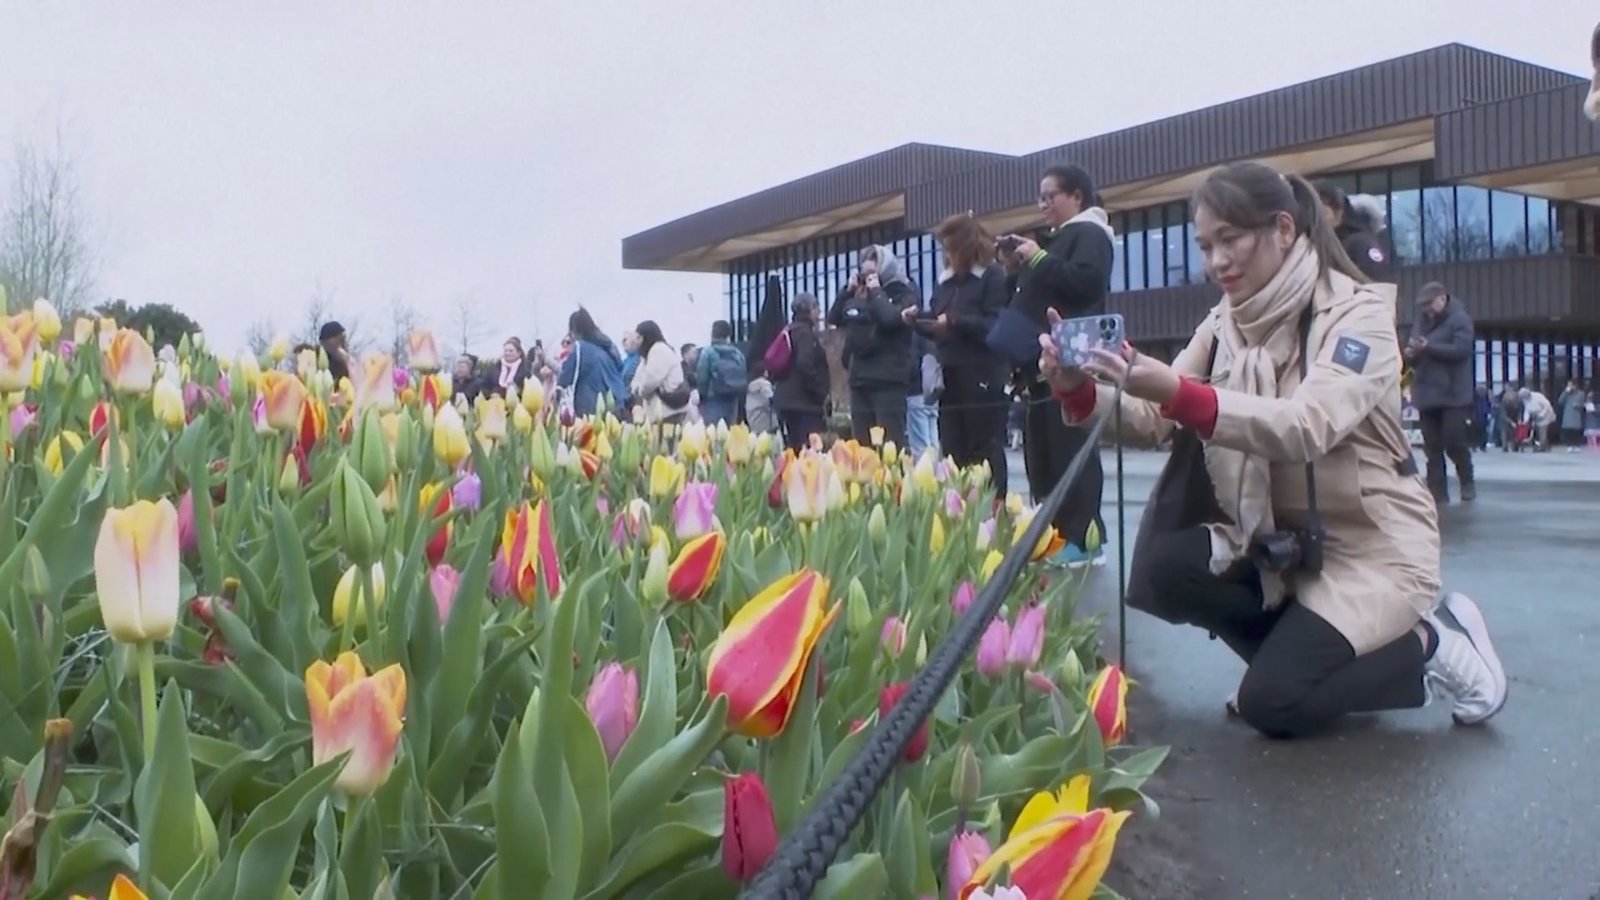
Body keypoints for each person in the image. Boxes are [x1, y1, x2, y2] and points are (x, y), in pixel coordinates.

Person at [1042, 160, 1507, 740]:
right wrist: (1081, 391)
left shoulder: (1358, 312)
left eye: (1230, 239)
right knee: (1167, 566)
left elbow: (1307, 424)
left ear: (1284, 229)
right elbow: (1155, 419)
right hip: (1280, 541)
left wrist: (1182, 393)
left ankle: (1431, 642)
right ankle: (1294, 667)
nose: (1217, 261)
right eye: (1206, 245)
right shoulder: (1224, 322)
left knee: (1273, 706)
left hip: (1372, 550)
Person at [998, 164, 1114, 568]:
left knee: (1070, 448)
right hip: (1041, 360)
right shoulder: (1062, 238)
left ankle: (1084, 537)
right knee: (1042, 449)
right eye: (1041, 196)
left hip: (1072, 356)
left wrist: (1040, 257)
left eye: (1052, 195)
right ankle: (1051, 534)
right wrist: (1017, 267)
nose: (1044, 203)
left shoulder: (1091, 233)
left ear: (1077, 196)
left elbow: (1086, 283)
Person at [914, 213, 1009, 494]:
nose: (947, 255)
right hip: (950, 374)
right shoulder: (946, 282)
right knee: (953, 448)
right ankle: (960, 510)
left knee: (984, 446)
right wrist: (917, 320)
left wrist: (955, 321)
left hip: (982, 373)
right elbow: (936, 318)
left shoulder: (992, 276)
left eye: (950, 248)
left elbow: (994, 324)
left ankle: (995, 509)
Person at [826, 244, 918, 447]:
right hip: (860, 380)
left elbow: (889, 319)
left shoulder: (904, 292)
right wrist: (846, 292)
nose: (867, 279)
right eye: (864, 273)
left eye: (872, 274)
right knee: (862, 445)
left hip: (888, 380)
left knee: (890, 444)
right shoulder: (859, 296)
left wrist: (876, 291)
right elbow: (834, 318)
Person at [1405, 283, 1476, 503]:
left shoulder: (1460, 319)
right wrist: (1410, 353)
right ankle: (1437, 494)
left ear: (1442, 299)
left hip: (1453, 393)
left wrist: (1429, 348)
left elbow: (1462, 350)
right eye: (1424, 306)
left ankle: (1466, 481)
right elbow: (1414, 354)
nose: (1427, 310)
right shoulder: (1421, 323)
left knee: (1454, 441)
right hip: (1427, 393)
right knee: (1432, 447)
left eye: (1429, 304)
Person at [772, 293, 831, 451]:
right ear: (809, 310)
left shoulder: (789, 330)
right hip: (804, 404)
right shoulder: (805, 334)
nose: (819, 313)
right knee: (809, 451)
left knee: (793, 449)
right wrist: (821, 392)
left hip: (786, 400)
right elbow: (805, 364)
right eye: (817, 308)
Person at [557, 308, 629, 417]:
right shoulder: (607, 347)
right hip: (617, 402)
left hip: (591, 406)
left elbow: (565, 377)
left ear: (574, 329)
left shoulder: (580, 348)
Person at [1313, 182, 1391, 280]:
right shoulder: (1320, 244)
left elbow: (1376, 279)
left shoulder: (1360, 243)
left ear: (1338, 213)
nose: (1317, 221)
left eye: (1323, 213)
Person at [631, 320, 692, 424]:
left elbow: (649, 382)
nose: (635, 341)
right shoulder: (648, 354)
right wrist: (636, 388)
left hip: (669, 411)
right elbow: (636, 379)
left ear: (647, 337)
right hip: (661, 411)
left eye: (639, 337)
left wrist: (639, 391)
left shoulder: (659, 350)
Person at [694, 320, 748, 426]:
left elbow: (702, 377)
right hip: (733, 399)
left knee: (712, 435)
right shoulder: (737, 353)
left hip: (713, 399)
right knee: (729, 435)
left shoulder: (708, 352)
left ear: (713, 333)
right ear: (729, 334)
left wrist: (702, 395)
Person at [905, 331, 940, 459]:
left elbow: (912, 365)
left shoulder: (914, 336)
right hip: (932, 391)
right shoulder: (930, 335)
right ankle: (937, 474)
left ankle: (924, 475)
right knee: (933, 442)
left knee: (920, 445)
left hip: (915, 392)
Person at [1557, 378, 1587, 451]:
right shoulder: (1566, 393)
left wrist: (1578, 405)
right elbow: (1560, 401)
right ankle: (1569, 445)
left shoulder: (1581, 393)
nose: (1570, 387)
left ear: (1575, 385)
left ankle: (1576, 445)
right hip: (1568, 413)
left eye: (1571, 385)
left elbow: (1583, 404)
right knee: (1568, 430)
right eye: (1568, 385)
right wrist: (1565, 392)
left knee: (1576, 430)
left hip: (1576, 414)